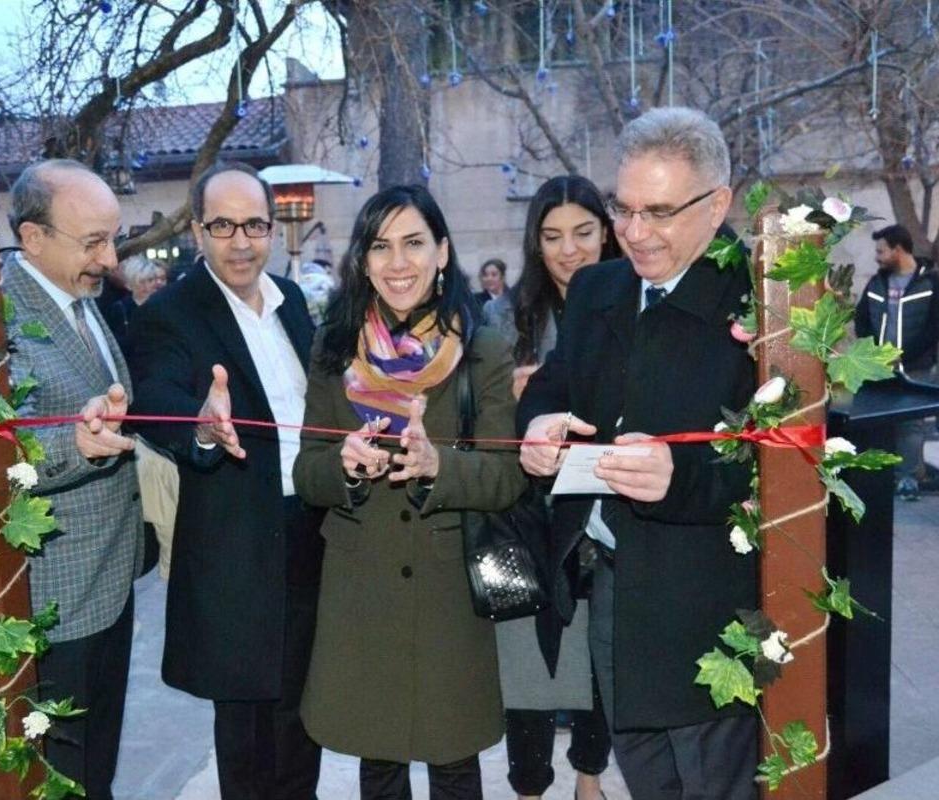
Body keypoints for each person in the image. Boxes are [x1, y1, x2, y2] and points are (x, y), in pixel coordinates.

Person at [518, 107, 759, 800]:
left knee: (714, 784)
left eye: (658, 212)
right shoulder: (599, 289)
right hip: (611, 586)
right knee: (647, 777)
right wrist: (539, 429)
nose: (633, 232)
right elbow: (552, 387)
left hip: (705, 599)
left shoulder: (763, 304)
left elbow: (790, 462)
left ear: (717, 205)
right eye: (623, 209)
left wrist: (678, 478)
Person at [294, 184, 526, 799]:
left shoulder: (484, 350)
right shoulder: (333, 348)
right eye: (381, 246)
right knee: (380, 760)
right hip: (361, 585)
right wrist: (343, 465)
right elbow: (306, 473)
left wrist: (438, 465)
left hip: (449, 585)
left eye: (414, 244)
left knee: (453, 761)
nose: (398, 263)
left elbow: (506, 476)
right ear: (363, 261)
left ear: (442, 252)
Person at [128, 161, 324, 800]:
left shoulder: (290, 300)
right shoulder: (171, 313)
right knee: (245, 728)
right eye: (223, 226)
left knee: (303, 709)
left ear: (272, 228)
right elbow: (154, 399)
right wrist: (202, 428)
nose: (241, 242)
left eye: (255, 225)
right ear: (198, 230)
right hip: (237, 547)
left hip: (310, 530)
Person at [4, 158, 145, 799]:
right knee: (61, 777)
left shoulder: (83, 301)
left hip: (108, 577)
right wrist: (76, 445)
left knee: (94, 770)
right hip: (55, 595)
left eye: (112, 238)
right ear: (33, 237)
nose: (111, 258)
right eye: (93, 242)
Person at [484, 174, 620, 800]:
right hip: (523, 517)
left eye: (584, 232)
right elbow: (476, 422)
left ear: (608, 232)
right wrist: (510, 402)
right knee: (527, 667)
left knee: (596, 656)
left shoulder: (630, 305)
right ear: (535, 244)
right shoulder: (505, 315)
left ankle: (589, 778)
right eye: (553, 236)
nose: (570, 250)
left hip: (601, 512)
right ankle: (530, 786)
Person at [854, 224, 939, 500]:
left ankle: (908, 478)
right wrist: (874, 353)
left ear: (898, 249)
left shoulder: (931, 282)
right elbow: (862, 319)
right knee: (879, 422)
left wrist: (906, 354)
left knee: (911, 423)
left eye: (881, 250)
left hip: (915, 366)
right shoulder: (876, 283)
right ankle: (883, 476)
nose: (877, 256)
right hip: (880, 366)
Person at [103, 253, 167, 357]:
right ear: (130, 285)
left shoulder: (161, 305)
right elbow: (114, 343)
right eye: (141, 282)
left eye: (150, 280)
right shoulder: (120, 309)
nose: (147, 286)